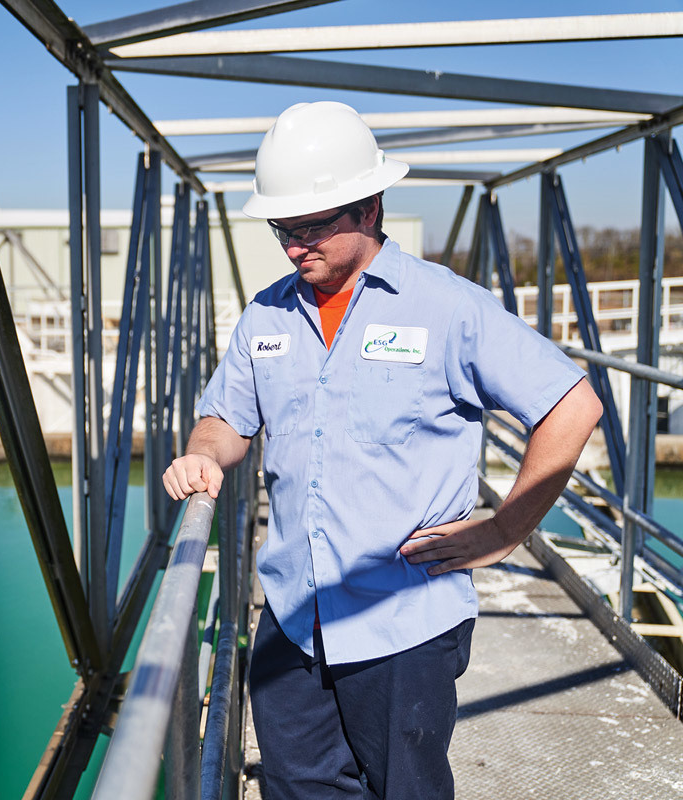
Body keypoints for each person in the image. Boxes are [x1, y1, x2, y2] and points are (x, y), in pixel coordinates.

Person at [161, 101, 603, 799]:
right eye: (283, 229)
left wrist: (506, 529)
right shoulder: (266, 315)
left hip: (403, 625)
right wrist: (204, 455)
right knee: (295, 787)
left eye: (312, 228)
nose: (294, 247)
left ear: (370, 208)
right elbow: (224, 418)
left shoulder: (446, 306)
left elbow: (572, 405)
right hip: (293, 615)